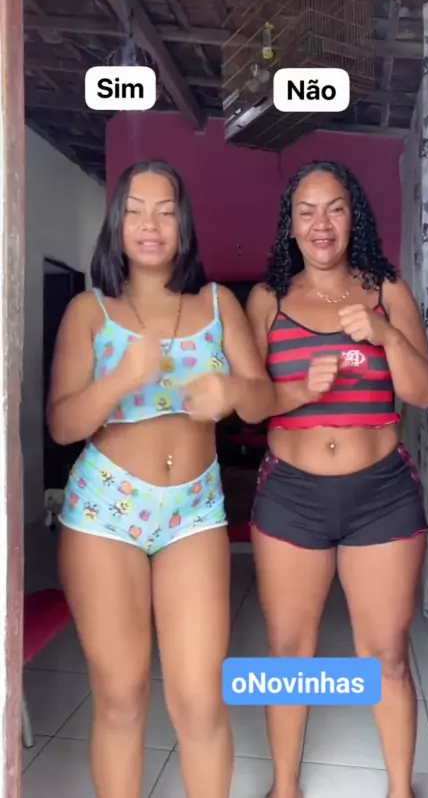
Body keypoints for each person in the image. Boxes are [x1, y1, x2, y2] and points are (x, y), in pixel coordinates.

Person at [47, 160, 274, 798]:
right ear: (117, 226)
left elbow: (262, 399)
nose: (151, 224)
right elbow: (62, 424)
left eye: (166, 211)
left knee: (200, 702)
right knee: (120, 697)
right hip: (104, 516)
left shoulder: (217, 304)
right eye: (136, 211)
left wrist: (232, 391)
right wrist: (120, 380)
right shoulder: (90, 312)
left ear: (184, 226)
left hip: (194, 514)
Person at [246, 161, 428, 798]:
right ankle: (284, 788)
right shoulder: (268, 300)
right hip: (291, 496)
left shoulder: (386, 290)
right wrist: (299, 391)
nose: (321, 223)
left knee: (385, 654)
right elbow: (249, 403)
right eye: (306, 211)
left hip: (381, 495)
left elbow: (427, 392)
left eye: (334, 208)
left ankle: (400, 790)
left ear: (353, 216)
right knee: (287, 652)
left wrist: (384, 334)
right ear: (290, 225)